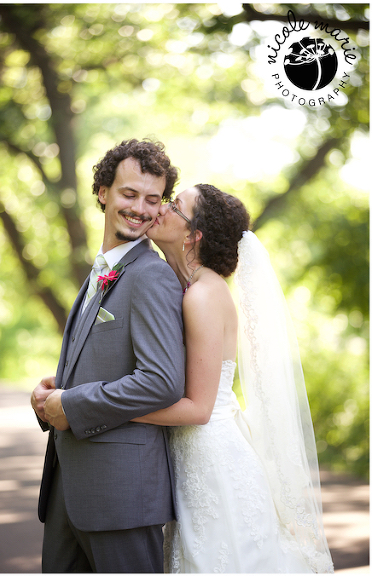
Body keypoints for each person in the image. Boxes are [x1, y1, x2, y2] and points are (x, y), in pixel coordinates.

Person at [139, 183, 333, 572]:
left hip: (215, 466)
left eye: (175, 205)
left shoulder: (204, 296)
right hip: (197, 460)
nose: (161, 207)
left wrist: (110, 409)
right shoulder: (190, 289)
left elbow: (198, 409)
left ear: (194, 235)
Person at [31, 138, 186, 572]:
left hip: (120, 493)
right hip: (67, 483)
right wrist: (48, 400)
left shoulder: (152, 275)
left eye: (153, 200)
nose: (140, 208)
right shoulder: (101, 270)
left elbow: (162, 381)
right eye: (129, 194)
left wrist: (73, 404)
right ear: (103, 192)